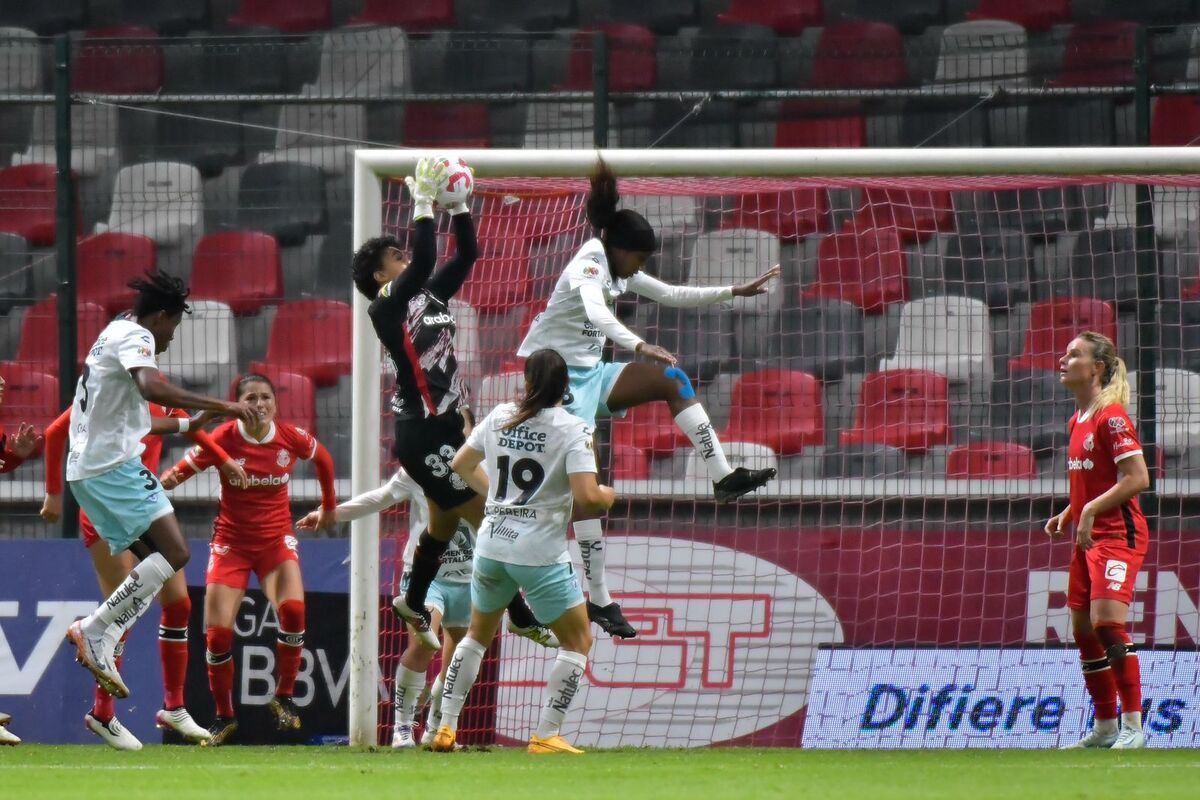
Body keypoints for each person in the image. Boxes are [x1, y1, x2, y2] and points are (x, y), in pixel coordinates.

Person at [514, 160, 778, 639]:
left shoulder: (616, 263)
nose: (640, 267)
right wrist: (639, 345)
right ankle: (599, 598)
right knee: (586, 492)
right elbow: (596, 311)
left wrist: (735, 291)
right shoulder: (590, 263)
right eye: (637, 258)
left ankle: (722, 477)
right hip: (552, 378)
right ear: (618, 249)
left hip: (590, 374)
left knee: (672, 380)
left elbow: (671, 293)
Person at [351, 157, 541, 649]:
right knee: (488, 517)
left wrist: (457, 207)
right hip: (425, 431)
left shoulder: (427, 298)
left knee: (444, 523)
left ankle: (413, 600)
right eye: (396, 255)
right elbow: (427, 260)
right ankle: (519, 614)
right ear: (380, 274)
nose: (405, 258)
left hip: (446, 428)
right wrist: (421, 204)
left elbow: (467, 254)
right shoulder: (384, 306)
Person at [296, 408, 559, 750]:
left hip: (472, 578)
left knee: (457, 660)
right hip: (427, 575)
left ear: (470, 430)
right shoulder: (421, 467)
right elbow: (381, 497)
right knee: (422, 643)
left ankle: (438, 728)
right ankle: (402, 727)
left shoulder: (492, 470)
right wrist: (331, 513)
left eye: (460, 425)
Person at [64, 272, 255, 702]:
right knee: (176, 553)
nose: (171, 337)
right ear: (163, 316)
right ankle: (94, 630)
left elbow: (142, 419)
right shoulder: (138, 336)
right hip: (112, 468)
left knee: (156, 568)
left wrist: (193, 422)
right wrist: (223, 405)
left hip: (90, 471)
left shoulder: (111, 334)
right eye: (174, 326)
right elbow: (152, 386)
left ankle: (102, 634)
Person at [432, 349, 615, 755]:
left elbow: (461, 464)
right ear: (565, 386)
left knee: (476, 637)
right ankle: (546, 734)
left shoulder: (499, 415)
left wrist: (499, 496)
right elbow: (587, 496)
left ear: (527, 381)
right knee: (578, 642)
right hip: (539, 554)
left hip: (492, 543)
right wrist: (608, 496)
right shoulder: (573, 428)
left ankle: (444, 728)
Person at [43, 396, 246, 749]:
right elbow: (54, 432)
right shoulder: (106, 397)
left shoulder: (156, 395)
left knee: (179, 604)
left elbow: (193, 428)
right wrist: (53, 493)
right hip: (104, 508)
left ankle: (174, 707)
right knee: (124, 610)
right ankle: (102, 715)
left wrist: (224, 460)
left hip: (142, 506)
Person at [158, 373, 337, 745]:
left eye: (266, 397)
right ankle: (224, 716)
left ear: (276, 402)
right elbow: (180, 471)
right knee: (218, 635)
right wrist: (163, 482)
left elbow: (324, 460)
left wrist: (329, 509)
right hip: (231, 544)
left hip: (275, 541)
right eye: (251, 398)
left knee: (294, 613)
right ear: (238, 404)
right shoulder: (222, 439)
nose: (260, 404)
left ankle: (284, 697)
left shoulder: (291, 438)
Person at [1046, 331, 1150, 750]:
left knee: (1108, 624)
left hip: (1117, 534)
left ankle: (1133, 726)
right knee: (1084, 631)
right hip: (1087, 536)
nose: (1063, 359)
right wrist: (1071, 511)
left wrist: (1087, 511)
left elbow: (1138, 478)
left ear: (1097, 368)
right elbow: (1094, 480)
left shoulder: (1112, 417)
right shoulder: (1077, 419)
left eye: (1074, 355)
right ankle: (1105, 726)